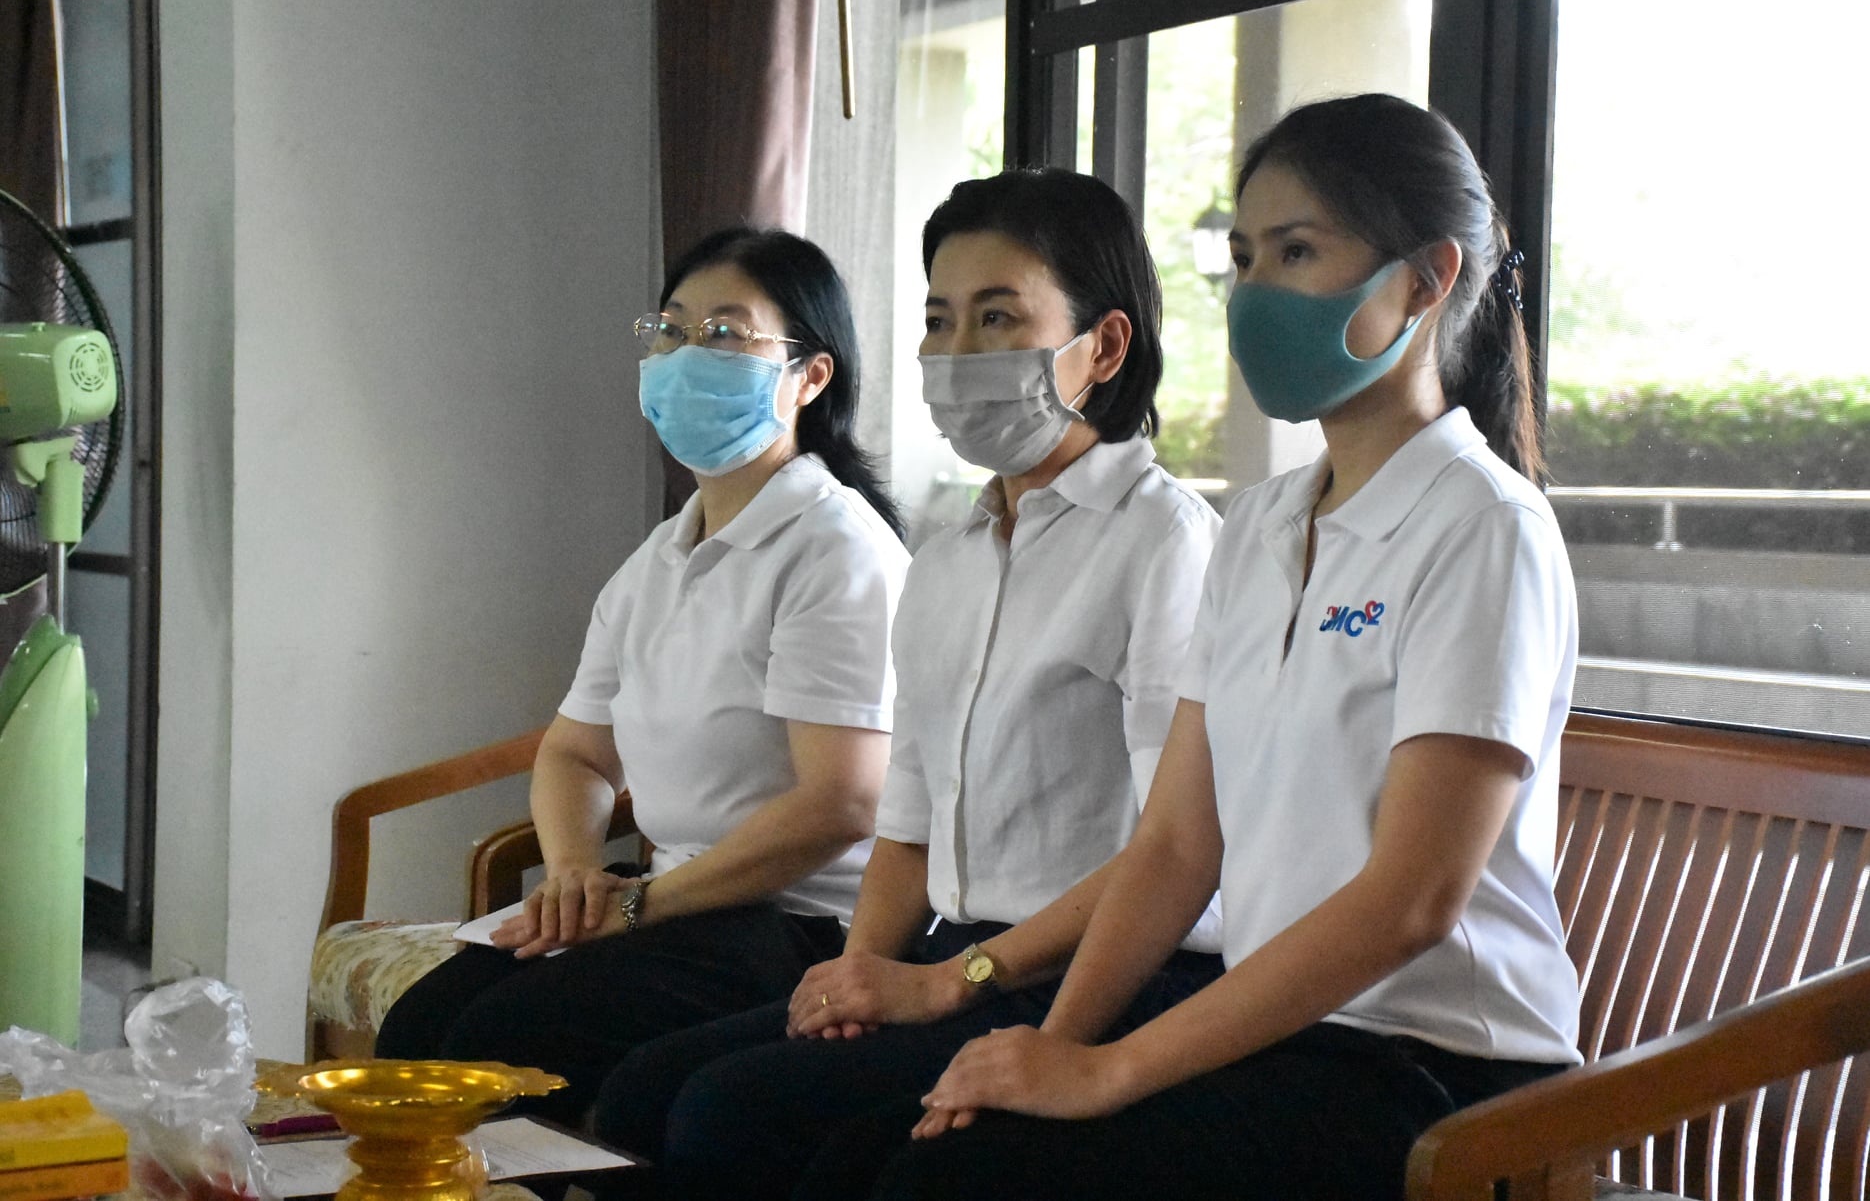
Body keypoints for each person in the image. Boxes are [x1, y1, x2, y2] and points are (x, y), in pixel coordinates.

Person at [869, 93, 1585, 1201]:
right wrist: (1051, 1050)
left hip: (1440, 1064)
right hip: (1281, 1033)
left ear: (1425, 279)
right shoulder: (1258, 526)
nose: (1255, 294)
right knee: (908, 1160)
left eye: (1297, 252)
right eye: (1244, 258)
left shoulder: (1484, 527)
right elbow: (1173, 846)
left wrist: (1108, 1072)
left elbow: (1412, 900)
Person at [589, 168, 1225, 1199]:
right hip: (956, 958)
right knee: (644, 1094)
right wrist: (856, 973)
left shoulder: (1167, 547)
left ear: (1103, 347)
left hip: (1109, 972)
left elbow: (1175, 847)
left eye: (998, 317)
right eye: (938, 319)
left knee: (736, 1116)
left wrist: (954, 982)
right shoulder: (951, 555)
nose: (957, 351)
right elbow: (909, 821)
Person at [372, 227, 910, 1126]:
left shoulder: (836, 551)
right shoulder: (659, 559)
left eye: (725, 333)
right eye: (671, 329)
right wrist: (575, 872)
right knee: (418, 1031)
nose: (687, 354)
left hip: (794, 925)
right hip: (667, 904)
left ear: (810, 377)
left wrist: (637, 908)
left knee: (493, 1050)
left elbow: (843, 802)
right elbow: (576, 754)